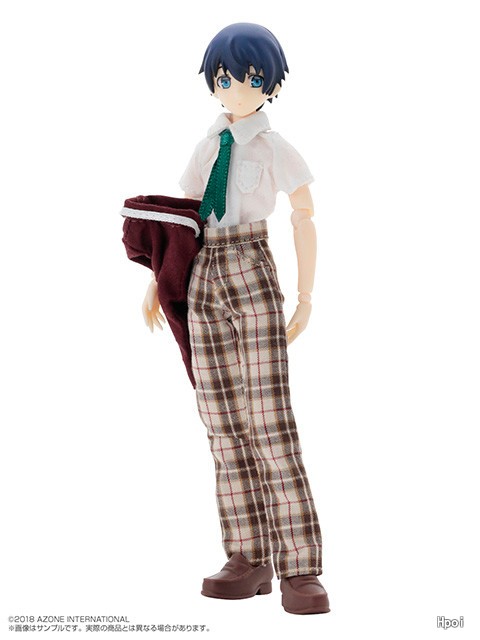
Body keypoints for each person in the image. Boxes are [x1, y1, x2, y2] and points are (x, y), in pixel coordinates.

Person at [142, 22, 330, 615]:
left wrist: (305, 297)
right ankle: (248, 555)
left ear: (270, 83)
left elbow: (303, 216)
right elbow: (189, 214)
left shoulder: (274, 148)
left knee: (270, 421)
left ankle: (300, 565)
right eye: (224, 78)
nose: (237, 88)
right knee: (222, 421)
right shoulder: (208, 145)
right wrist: (159, 281)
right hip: (204, 272)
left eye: (251, 77)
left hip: (251, 264)